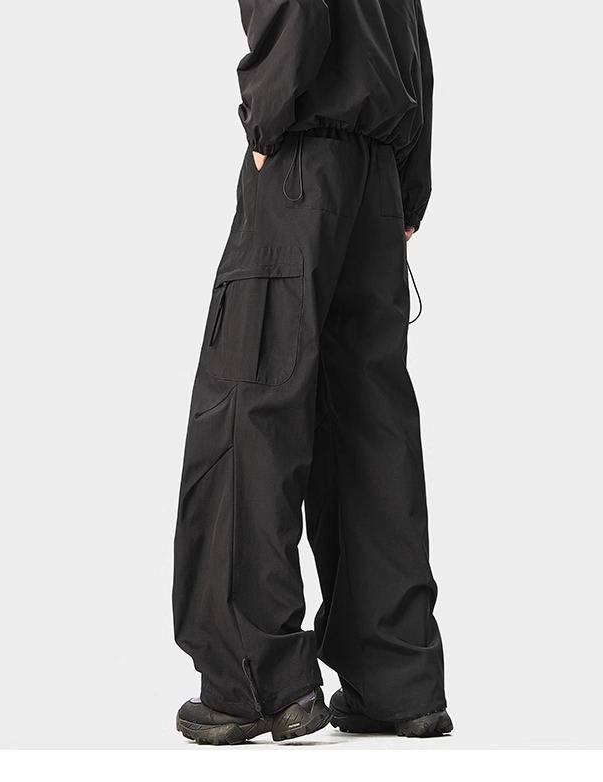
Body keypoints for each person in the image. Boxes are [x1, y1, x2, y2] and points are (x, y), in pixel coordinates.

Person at [173, 0, 452, 744]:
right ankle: (398, 681)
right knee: (368, 424)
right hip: (377, 178)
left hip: (303, 155)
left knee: (249, 405)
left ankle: (254, 681)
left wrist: (267, 117)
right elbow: (412, 39)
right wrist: (409, 181)